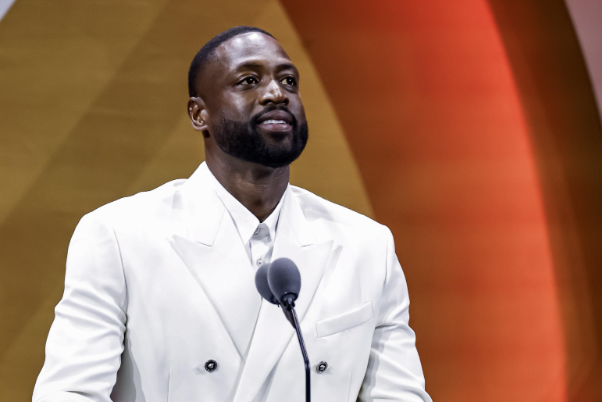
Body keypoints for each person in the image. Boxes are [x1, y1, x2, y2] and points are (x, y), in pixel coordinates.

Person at [33, 26, 432, 402]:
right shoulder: (120, 236)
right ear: (199, 114)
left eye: (289, 81)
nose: (276, 93)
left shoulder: (367, 246)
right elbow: (70, 394)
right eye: (249, 80)